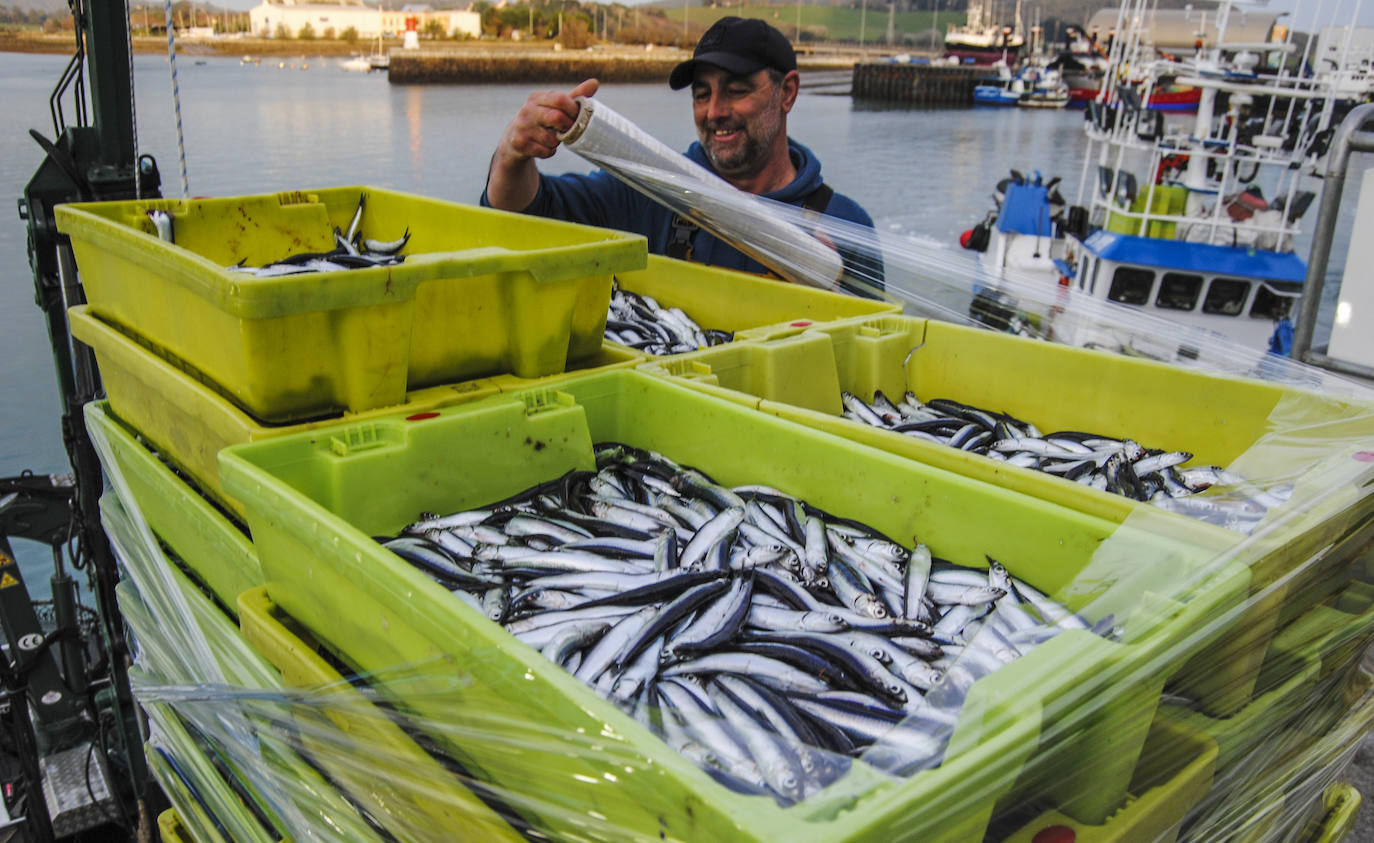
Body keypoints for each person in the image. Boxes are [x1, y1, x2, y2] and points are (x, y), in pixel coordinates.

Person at [482, 16, 881, 295]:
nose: (714, 112)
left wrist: (831, 300)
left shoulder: (846, 227)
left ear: (788, 92)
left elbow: (873, 366)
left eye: (736, 90)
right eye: (702, 94)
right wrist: (512, 156)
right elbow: (527, 215)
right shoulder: (653, 192)